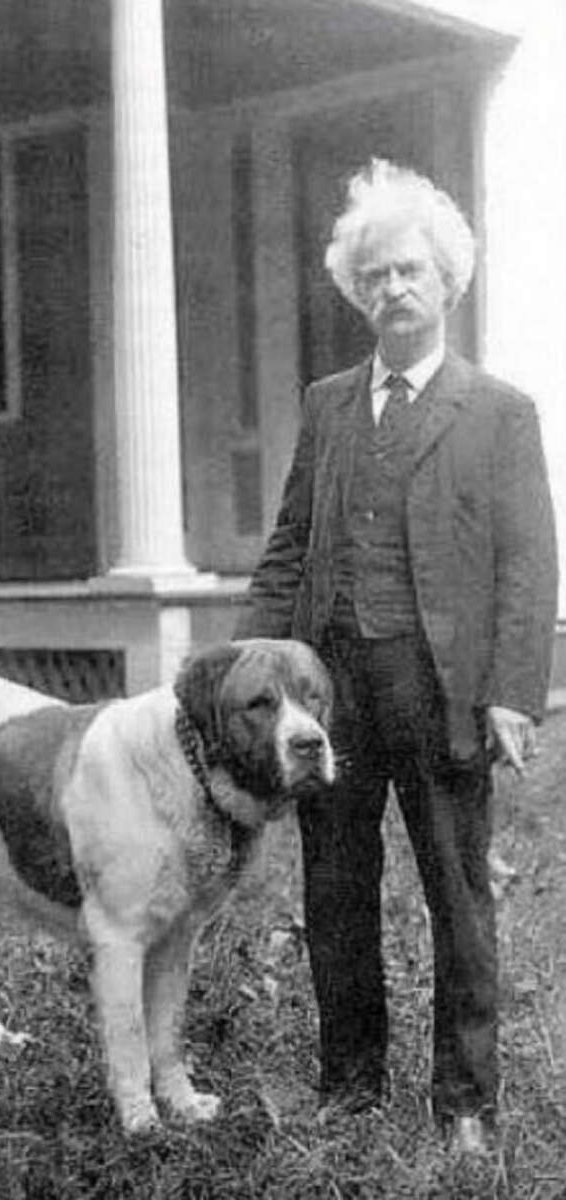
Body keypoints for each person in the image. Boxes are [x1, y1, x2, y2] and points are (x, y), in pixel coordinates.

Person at [235, 159, 558, 1155]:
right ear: (356, 288)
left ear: (446, 280)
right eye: (374, 276)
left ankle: (464, 1101)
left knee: (457, 893)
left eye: (410, 271)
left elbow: (525, 562)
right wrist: (256, 669)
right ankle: (348, 1080)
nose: (393, 291)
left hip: (441, 690)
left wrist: (510, 693)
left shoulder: (497, 412)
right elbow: (289, 542)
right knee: (334, 884)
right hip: (330, 691)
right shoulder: (329, 404)